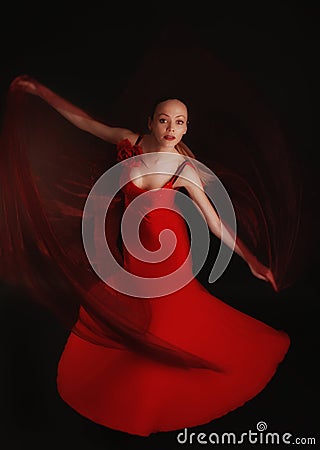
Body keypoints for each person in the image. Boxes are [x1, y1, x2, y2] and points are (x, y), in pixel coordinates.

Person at [1, 75, 290, 436]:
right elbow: (85, 122)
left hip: (170, 252)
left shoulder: (184, 169)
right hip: (133, 248)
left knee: (166, 318)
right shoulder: (130, 142)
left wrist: (251, 261)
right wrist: (40, 92)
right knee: (137, 312)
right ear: (150, 122)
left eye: (180, 121)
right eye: (165, 119)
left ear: (186, 129)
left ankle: (148, 399)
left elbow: (215, 224)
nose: (172, 128)